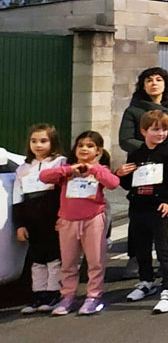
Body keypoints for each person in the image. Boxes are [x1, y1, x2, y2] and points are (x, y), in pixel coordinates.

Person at [40, 131, 120, 315]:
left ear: (98, 151)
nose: (84, 149)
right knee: (68, 262)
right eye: (81, 145)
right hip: (68, 221)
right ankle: (67, 296)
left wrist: (94, 169)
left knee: (95, 261)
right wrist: (69, 170)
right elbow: (45, 176)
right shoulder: (67, 170)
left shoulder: (100, 170)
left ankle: (93, 296)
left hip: (93, 220)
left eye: (90, 146)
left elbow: (113, 183)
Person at [115, 111, 168, 313]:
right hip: (138, 207)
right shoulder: (136, 154)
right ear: (144, 131)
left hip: (161, 207)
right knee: (141, 248)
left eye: (164, 130)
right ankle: (146, 281)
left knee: (164, 248)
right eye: (155, 129)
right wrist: (121, 175)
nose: (161, 134)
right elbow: (129, 184)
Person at [13, 125, 67, 315]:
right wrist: (20, 225)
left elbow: (65, 192)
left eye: (43, 141)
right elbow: (17, 198)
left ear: (52, 142)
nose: (38, 145)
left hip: (52, 218)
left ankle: (53, 293)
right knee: (36, 259)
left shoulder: (60, 163)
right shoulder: (23, 169)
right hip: (32, 220)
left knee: (53, 258)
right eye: (34, 141)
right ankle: (38, 293)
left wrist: (62, 216)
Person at [119, 67, 168, 155]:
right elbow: (126, 140)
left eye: (158, 80)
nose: (154, 83)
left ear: (165, 84)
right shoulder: (133, 110)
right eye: (149, 81)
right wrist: (152, 148)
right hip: (144, 157)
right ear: (143, 86)